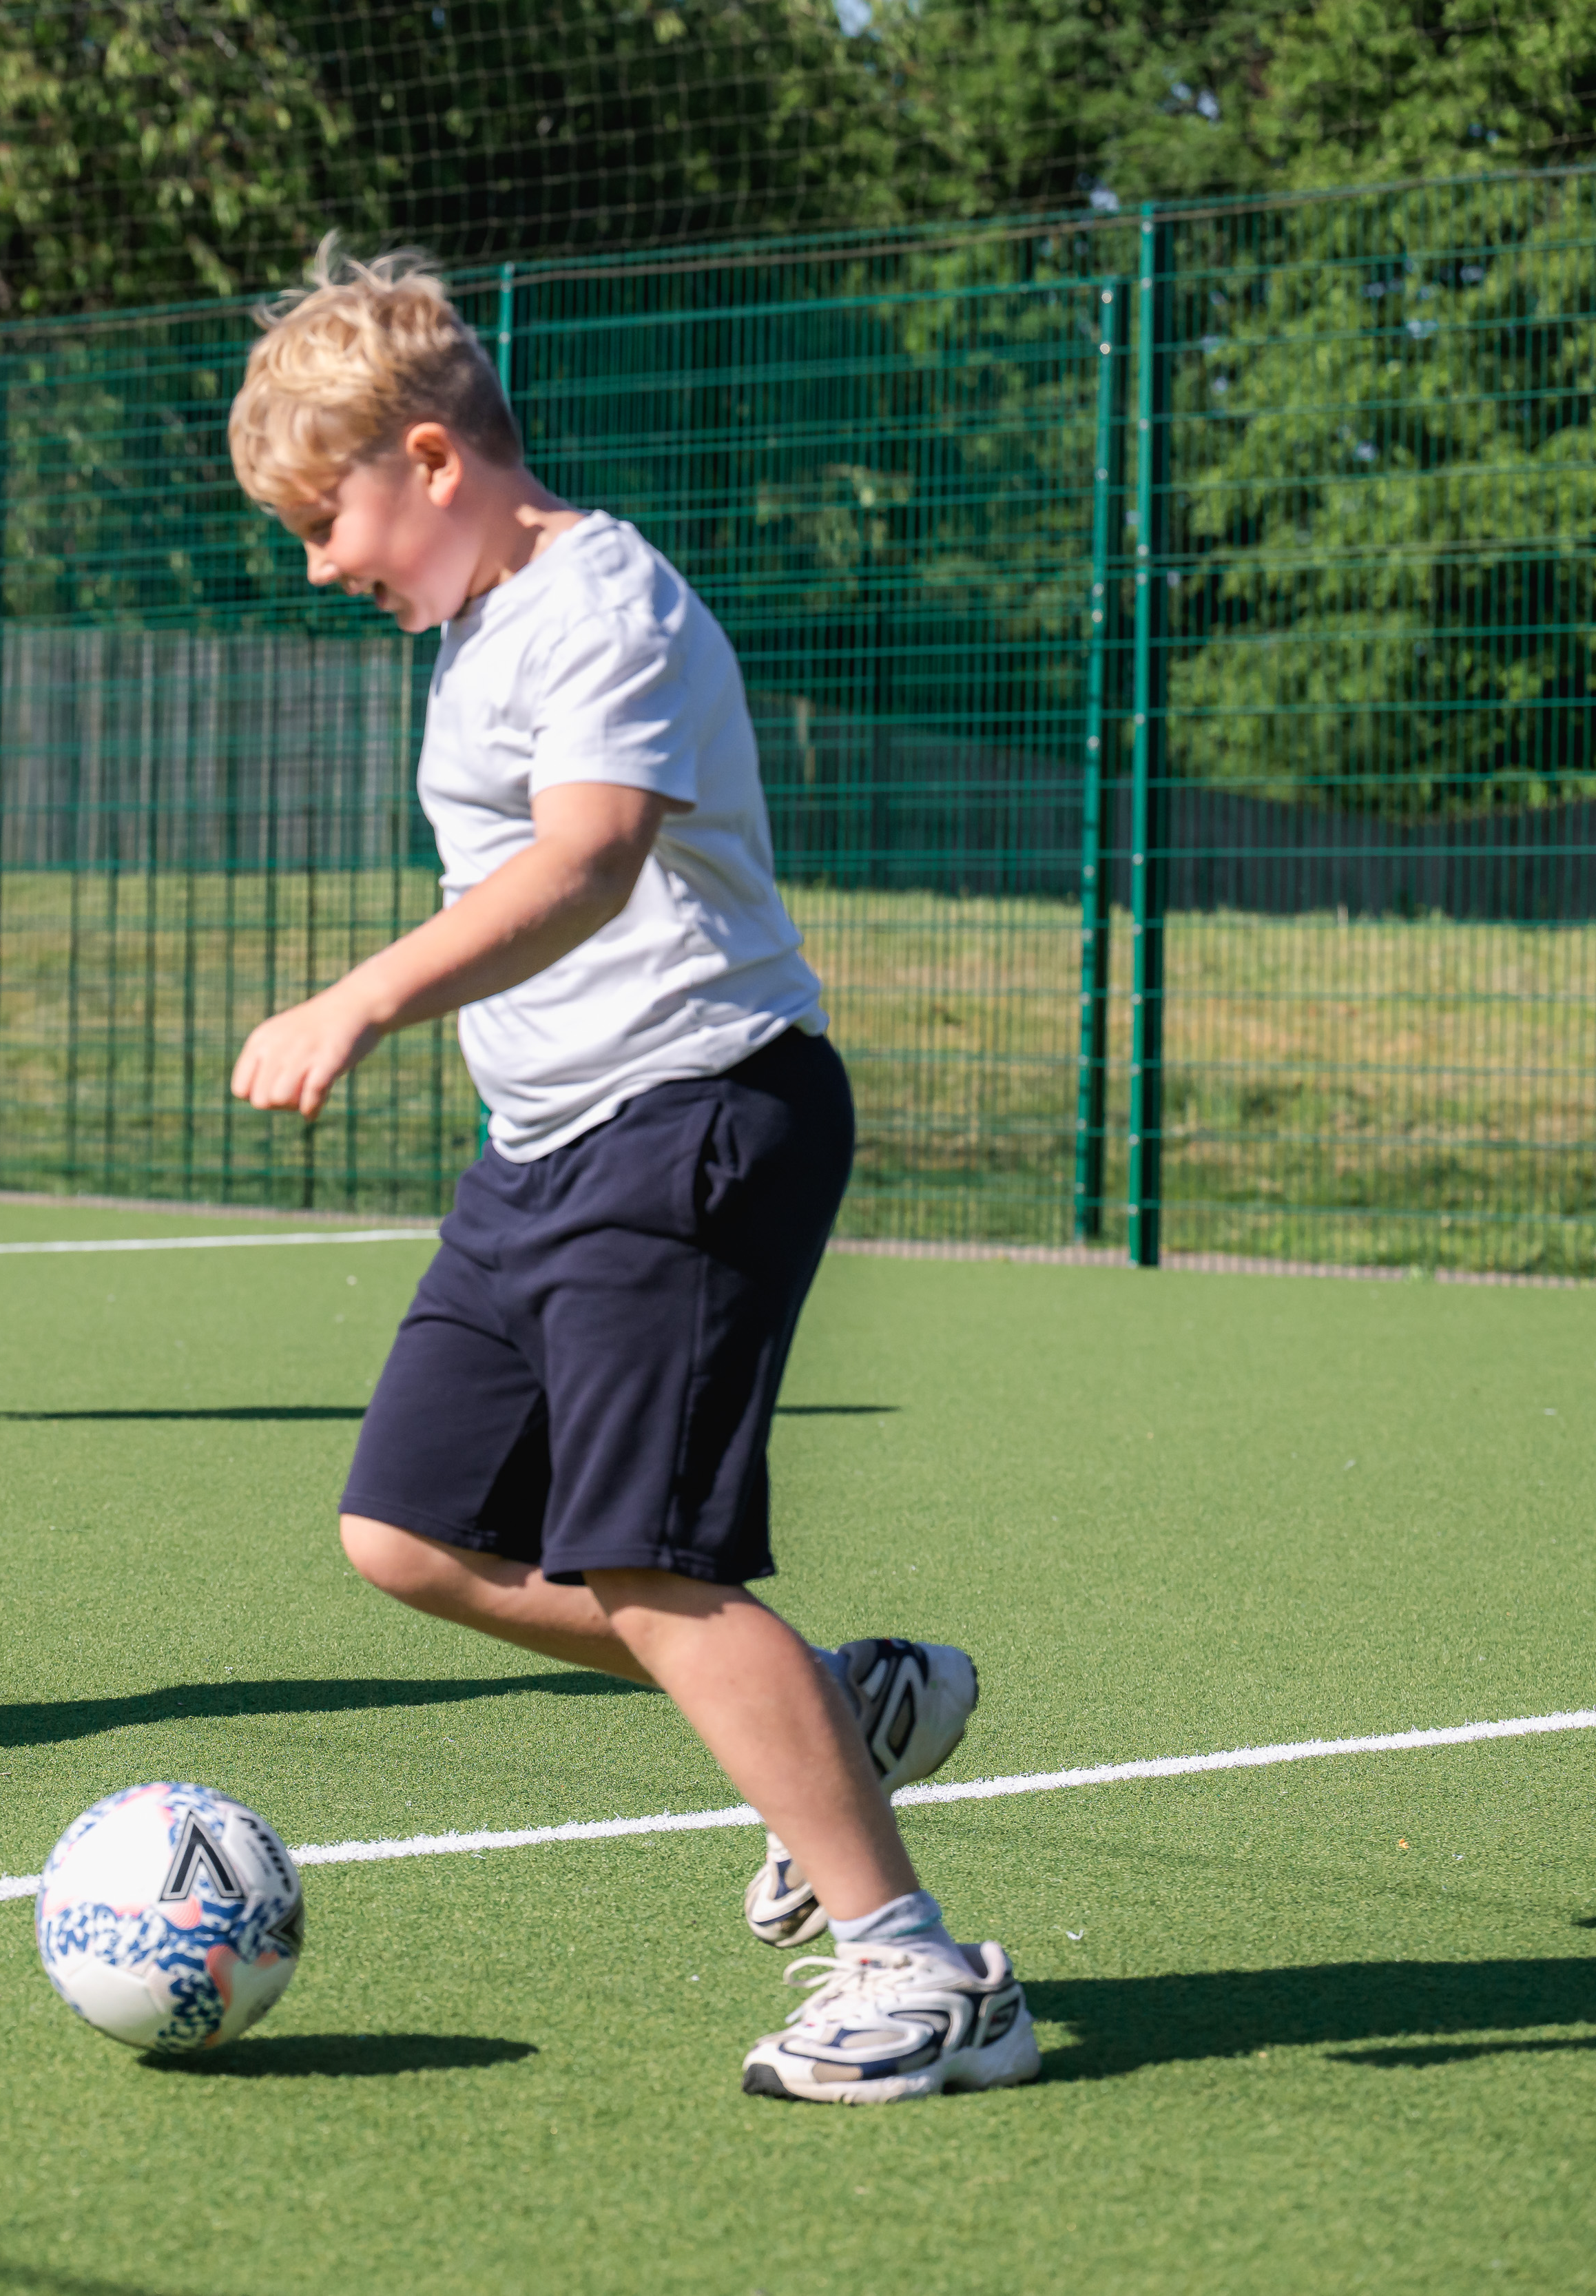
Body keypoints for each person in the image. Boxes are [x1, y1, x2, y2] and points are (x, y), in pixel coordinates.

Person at [222, 249, 1032, 2104]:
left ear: (432, 458)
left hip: (696, 1118)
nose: (323, 565)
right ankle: (832, 1705)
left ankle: (921, 1971)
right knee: (405, 1533)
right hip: (543, 1151)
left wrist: (360, 997)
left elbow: (588, 860)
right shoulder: (479, 634)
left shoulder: (607, 602)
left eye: (327, 516)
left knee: (648, 1558)